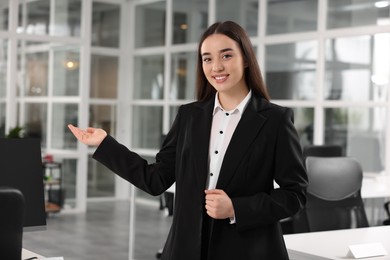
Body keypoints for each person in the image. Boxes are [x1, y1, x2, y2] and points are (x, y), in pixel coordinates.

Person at [68, 21, 308, 260]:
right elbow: (156, 179)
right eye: (207, 58)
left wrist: (236, 208)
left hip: (248, 250)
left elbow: (294, 195)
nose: (216, 67)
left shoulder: (275, 120)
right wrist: (104, 144)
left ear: (246, 59)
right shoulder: (189, 116)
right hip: (186, 249)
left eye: (226, 56)